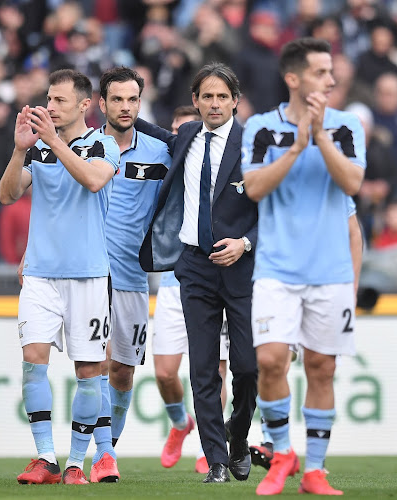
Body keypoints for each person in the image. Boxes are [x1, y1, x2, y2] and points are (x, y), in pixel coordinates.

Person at [241, 37, 366, 496]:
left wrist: (320, 136)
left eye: (331, 72)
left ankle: (314, 470)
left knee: (321, 367)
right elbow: (253, 188)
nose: (331, 80)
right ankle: (282, 453)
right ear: (293, 79)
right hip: (276, 269)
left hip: (331, 271)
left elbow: (352, 181)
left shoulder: (348, 124)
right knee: (270, 360)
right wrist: (296, 147)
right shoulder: (259, 127)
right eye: (320, 72)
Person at [138, 62, 258, 484]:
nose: (214, 103)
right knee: (203, 368)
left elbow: (273, 209)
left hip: (241, 268)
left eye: (222, 96)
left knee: (246, 367)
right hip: (193, 267)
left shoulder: (253, 144)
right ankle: (217, 461)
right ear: (195, 102)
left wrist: (245, 243)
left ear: (236, 101)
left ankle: (238, 437)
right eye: (206, 96)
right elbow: (149, 130)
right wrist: (114, 108)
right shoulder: (187, 136)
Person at [0, 68, 119, 485]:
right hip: (39, 274)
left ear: (84, 105)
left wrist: (54, 142)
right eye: (48, 99)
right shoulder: (36, 149)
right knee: (33, 363)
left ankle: (76, 464)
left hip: (87, 275)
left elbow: (92, 180)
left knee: (88, 371)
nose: (49, 106)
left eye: (59, 101)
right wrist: (18, 152)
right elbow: (8, 194)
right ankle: (46, 458)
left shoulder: (103, 143)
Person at [89, 66, 172, 482]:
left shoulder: (160, 152)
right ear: (102, 103)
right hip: (87, 274)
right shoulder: (83, 147)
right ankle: (105, 457)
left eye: (132, 99)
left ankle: (107, 449)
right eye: (117, 99)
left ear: (141, 103)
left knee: (123, 371)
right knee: (98, 363)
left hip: (133, 277)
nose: (125, 107)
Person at [249, 197, 363, 471]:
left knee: (320, 369)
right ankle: (276, 446)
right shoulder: (270, 166)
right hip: (280, 282)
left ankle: (313, 462)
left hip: (324, 284)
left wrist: (351, 288)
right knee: (274, 363)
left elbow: (353, 233)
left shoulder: (330, 175)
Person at [151, 105, 229, 474]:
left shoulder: (222, 165)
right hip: (171, 282)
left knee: (215, 372)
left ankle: (210, 448)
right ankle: (181, 423)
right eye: (176, 132)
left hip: (214, 278)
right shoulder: (163, 165)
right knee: (166, 374)